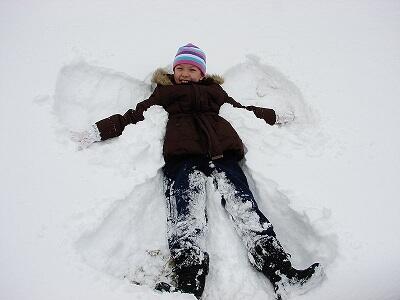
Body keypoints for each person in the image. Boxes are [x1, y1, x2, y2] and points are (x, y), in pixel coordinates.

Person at [71, 43, 324, 299]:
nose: (184, 73)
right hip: (183, 160)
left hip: (222, 157)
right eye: (179, 68)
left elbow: (242, 111)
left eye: (191, 69)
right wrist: (97, 131)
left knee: (245, 207)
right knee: (186, 216)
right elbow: (132, 117)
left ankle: (281, 271)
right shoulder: (165, 94)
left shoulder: (215, 92)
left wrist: (273, 116)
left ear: (202, 74)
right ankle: (189, 280)